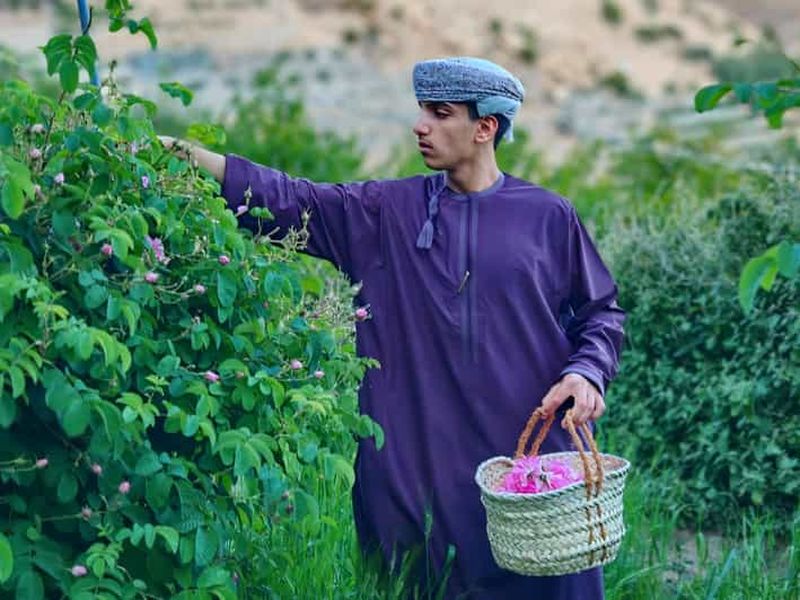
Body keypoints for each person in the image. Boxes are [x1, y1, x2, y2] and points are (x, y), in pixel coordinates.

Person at [161, 56, 625, 599]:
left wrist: (587, 373)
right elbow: (293, 200)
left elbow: (601, 312)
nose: (420, 125)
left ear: (485, 128)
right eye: (421, 110)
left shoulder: (548, 217)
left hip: (524, 471)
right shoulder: (386, 212)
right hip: (414, 468)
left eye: (440, 112)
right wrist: (188, 159)